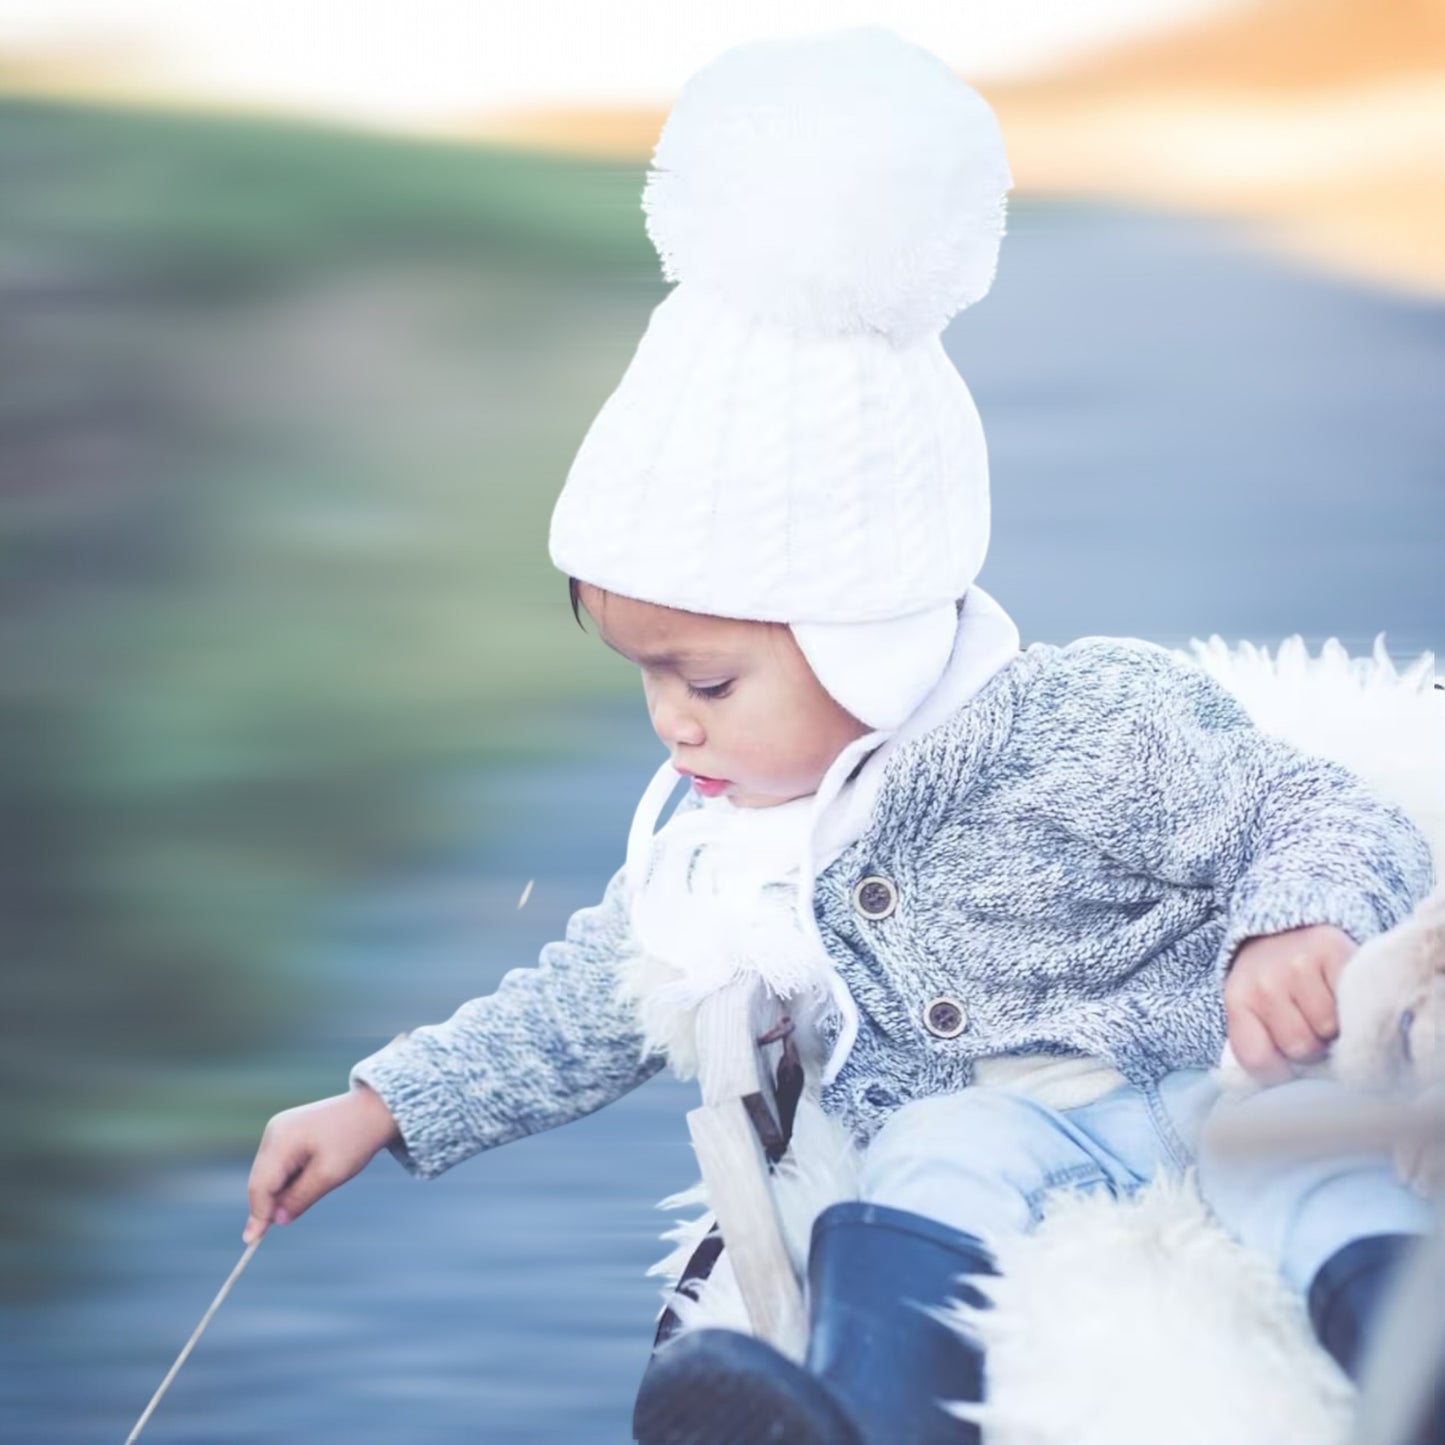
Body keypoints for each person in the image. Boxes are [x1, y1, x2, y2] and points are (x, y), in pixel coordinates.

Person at [242, 25, 1440, 1445]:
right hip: (990, 1121)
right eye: (641, 676)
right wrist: (387, 1101)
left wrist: (1290, 927)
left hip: (1203, 1070)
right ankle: (868, 1409)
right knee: (913, 1178)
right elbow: (585, 1006)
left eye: (706, 676)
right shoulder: (721, 850)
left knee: (1309, 1178)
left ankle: (1405, 1349)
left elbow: (1307, 807)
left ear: (858, 627)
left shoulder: (1082, 719)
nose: (670, 720)